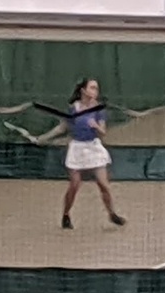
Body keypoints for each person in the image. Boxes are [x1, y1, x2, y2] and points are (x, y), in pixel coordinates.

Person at [39, 78, 126, 230]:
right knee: (74, 185)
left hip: (94, 147)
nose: (95, 91)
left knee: (104, 185)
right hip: (77, 149)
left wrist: (96, 127)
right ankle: (66, 215)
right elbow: (62, 128)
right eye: (92, 88)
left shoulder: (99, 109)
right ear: (83, 90)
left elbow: (103, 132)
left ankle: (112, 214)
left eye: (96, 89)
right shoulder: (73, 108)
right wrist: (43, 138)